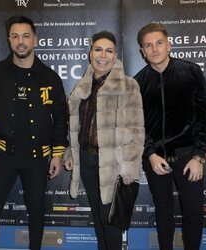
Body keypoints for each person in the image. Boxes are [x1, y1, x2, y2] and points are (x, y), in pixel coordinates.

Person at [0, 15, 68, 250]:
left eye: (26, 36)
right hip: (4, 155)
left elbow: (61, 118)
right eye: (15, 36)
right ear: (9, 40)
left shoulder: (50, 78)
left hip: (36, 158)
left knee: (36, 210)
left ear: (35, 39)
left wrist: (57, 153)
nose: (20, 41)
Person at [64, 31, 145, 250]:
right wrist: (70, 153)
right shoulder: (83, 86)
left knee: (110, 221)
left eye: (109, 51)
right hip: (87, 160)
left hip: (114, 164)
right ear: (90, 53)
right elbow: (75, 125)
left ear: (115, 55)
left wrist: (129, 170)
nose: (103, 55)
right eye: (98, 49)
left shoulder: (128, 86)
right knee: (99, 218)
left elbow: (136, 133)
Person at [134, 23, 206, 250]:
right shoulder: (137, 83)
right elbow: (137, 126)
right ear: (142, 51)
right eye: (148, 45)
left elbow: (205, 116)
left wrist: (199, 156)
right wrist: (150, 154)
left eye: (159, 43)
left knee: (194, 213)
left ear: (169, 44)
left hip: (189, 157)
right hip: (156, 160)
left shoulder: (191, 72)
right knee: (163, 212)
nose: (155, 49)